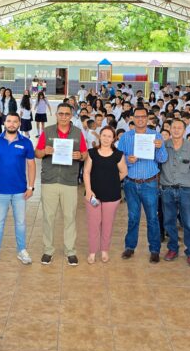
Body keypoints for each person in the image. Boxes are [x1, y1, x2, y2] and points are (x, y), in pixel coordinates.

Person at [34, 102, 88, 266]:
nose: (64, 116)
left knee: (70, 217)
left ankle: (70, 251)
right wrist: (45, 152)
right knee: (48, 218)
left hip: (69, 181)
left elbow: (85, 155)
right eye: (61, 113)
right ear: (56, 115)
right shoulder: (48, 131)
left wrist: (80, 155)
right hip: (50, 180)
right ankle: (48, 250)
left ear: (71, 116)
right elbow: (37, 152)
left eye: (67, 114)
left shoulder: (78, 133)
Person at [115, 106, 168, 263]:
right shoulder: (126, 137)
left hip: (149, 183)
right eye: (137, 117)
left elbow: (163, 159)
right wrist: (127, 160)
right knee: (133, 217)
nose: (140, 119)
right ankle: (130, 247)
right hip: (131, 183)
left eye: (143, 117)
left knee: (152, 217)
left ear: (147, 118)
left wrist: (159, 148)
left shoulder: (155, 135)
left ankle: (154, 249)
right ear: (133, 118)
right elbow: (119, 158)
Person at [0, 113, 36, 266]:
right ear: (4, 123)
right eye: (9, 121)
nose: (11, 124)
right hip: (0, 191)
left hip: (20, 191)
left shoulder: (26, 142)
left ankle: (22, 250)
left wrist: (31, 186)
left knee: (20, 222)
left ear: (19, 123)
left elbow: (31, 165)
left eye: (15, 121)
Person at [159, 118, 190, 267]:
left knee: (189, 223)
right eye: (174, 127)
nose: (176, 130)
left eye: (180, 128)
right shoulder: (163, 146)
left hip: (186, 190)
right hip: (167, 189)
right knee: (169, 221)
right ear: (169, 129)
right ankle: (173, 248)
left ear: (184, 130)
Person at [83, 126, 127, 264]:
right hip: (93, 195)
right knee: (93, 224)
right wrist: (89, 191)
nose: (106, 138)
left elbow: (123, 172)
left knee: (107, 224)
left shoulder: (118, 154)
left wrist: (112, 181)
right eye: (104, 135)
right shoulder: (92, 153)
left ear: (113, 139)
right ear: (99, 136)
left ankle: (104, 250)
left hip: (112, 195)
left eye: (109, 136)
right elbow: (86, 172)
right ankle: (92, 252)